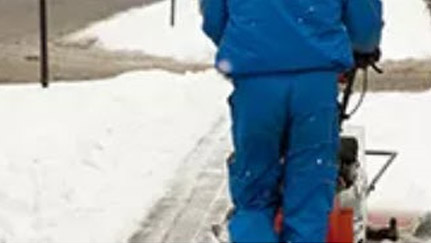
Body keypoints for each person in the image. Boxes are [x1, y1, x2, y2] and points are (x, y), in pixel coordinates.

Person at [200, 0, 383, 242]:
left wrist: (247, 42)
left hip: (255, 83)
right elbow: (364, 20)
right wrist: (364, 45)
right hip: (315, 82)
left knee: (253, 191)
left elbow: (214, 19)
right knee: (310, 189)